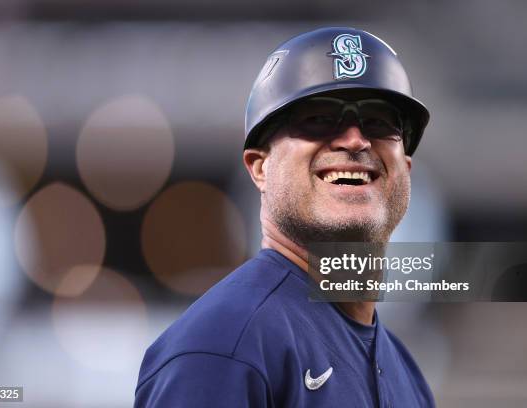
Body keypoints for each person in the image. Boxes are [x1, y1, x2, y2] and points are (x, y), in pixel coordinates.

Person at [135, 27, 435, 407]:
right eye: (318, 119)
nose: (355, 140)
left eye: (379, 121)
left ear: (405, 168)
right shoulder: (224, 344)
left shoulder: (404, 371)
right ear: (260, 168)